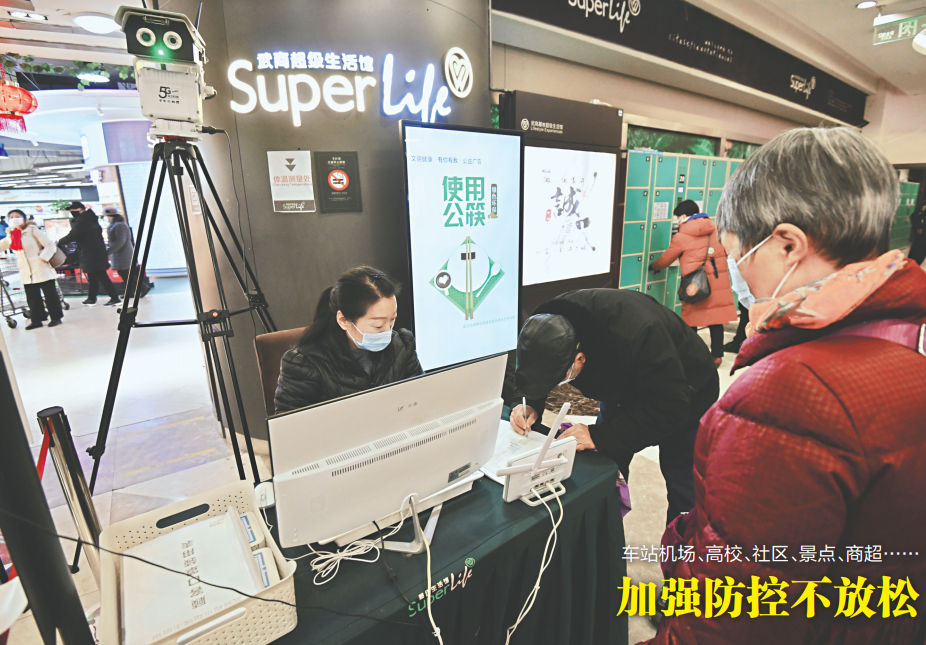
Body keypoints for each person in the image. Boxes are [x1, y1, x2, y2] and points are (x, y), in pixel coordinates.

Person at [647, 128, 926, 644]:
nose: (738, 274)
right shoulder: (908, 337)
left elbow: (733, 621)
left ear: (788, 245)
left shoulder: (792, 392)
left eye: (739, 255)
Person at [509, 288, 719, 524]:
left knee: (682, 480)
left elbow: (671, 408)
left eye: (557, 379)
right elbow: (532, 369)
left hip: (687, 390)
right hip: (621, 382)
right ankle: (605, 532)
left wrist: (600, 435)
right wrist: (528, 403)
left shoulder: (640, 333)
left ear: (579, 359)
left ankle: (685, 545)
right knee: (608, 467)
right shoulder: (545, 326)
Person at [274, 266, 422, 413]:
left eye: (392, 320)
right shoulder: (304, 364)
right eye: (378, 325)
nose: (387, 332)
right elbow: (291, 424)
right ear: (343, 320)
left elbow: (422, 399)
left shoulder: (402, 345)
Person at [649, 200, 737, 365]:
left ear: (683, 216)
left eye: (678, 217)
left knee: (691, 321)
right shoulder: (715, 229)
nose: (677, 221)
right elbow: (726, 250)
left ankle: (692, 356)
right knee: (716, 320)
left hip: (695, 283)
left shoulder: (682, 236)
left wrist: (654, 266)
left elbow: (667, 258)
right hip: (717, 280)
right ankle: (717, 356)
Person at [0, 210, 63, 329]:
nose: (14, 219)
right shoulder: (12, 234)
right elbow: (3, 244)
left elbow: (49, 245)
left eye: (17, 216)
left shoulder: (32, 230)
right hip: (26, 270)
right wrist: (8, 236)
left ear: (23, 218)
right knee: (32, 297)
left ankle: (56, 318)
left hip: (41, 267)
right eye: (11, 217)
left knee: (50, 295)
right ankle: (37, 320)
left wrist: (43, 258)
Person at [58, 201, 120, 306]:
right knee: (93, 277)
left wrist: (60, 242)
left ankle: (115, 298)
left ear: (80, 210)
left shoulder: (82, 221)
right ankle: (92, 298)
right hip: (95, 252)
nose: (72, 213)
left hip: (91, 254)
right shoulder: (90, 218)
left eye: (73, 210)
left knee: (101, 276)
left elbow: (74, 235)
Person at [103, 207, 150, 299]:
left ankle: (143, 287)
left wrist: (109, 251)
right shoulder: (116, 225)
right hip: (119, 253)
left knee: (126, 273)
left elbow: (120, 241)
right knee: (123, 273)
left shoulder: (119, 226)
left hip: (123, 253)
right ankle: (131, 291)